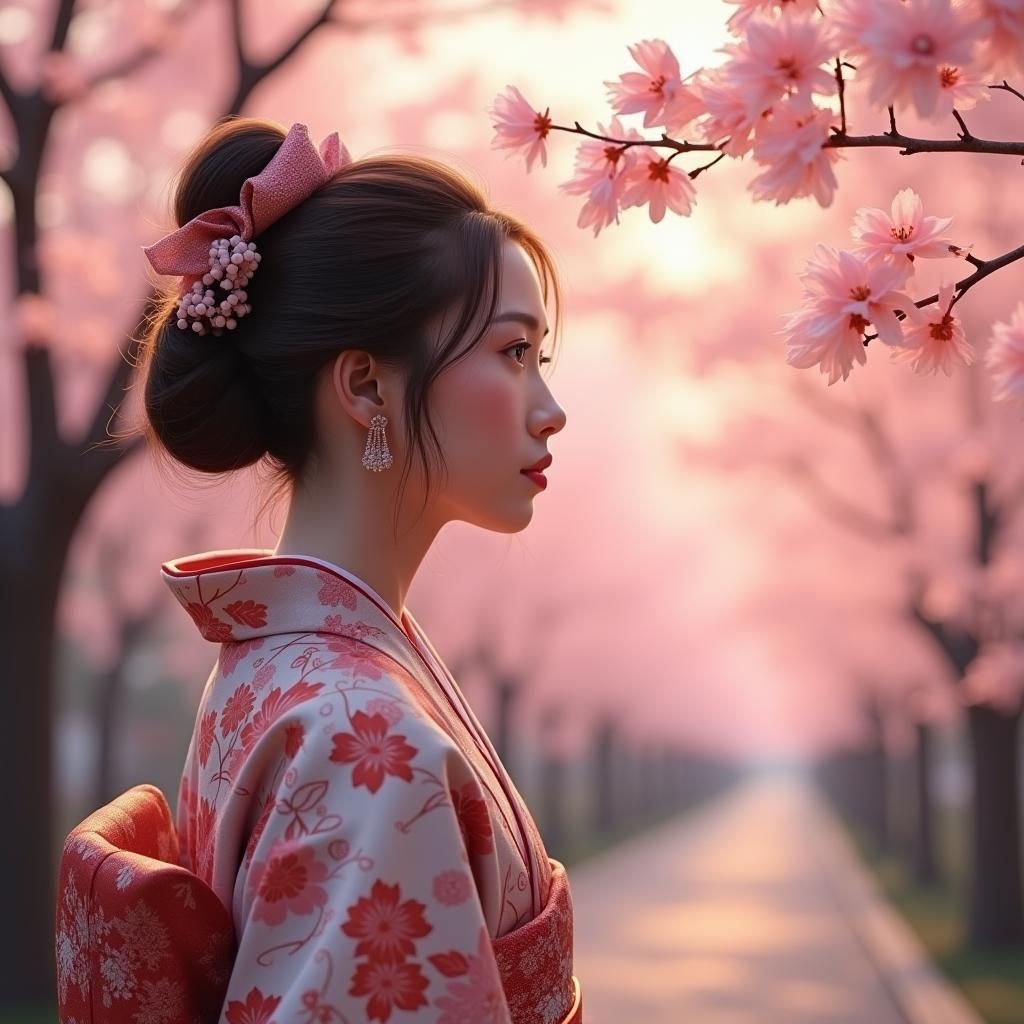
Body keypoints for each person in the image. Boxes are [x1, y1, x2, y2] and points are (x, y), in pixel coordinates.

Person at [137, 116, 580, 1023]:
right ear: (368, 385)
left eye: (539, 358)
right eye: (512, 353)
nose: (550, 410)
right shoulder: (364, 735)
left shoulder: (274, 666)